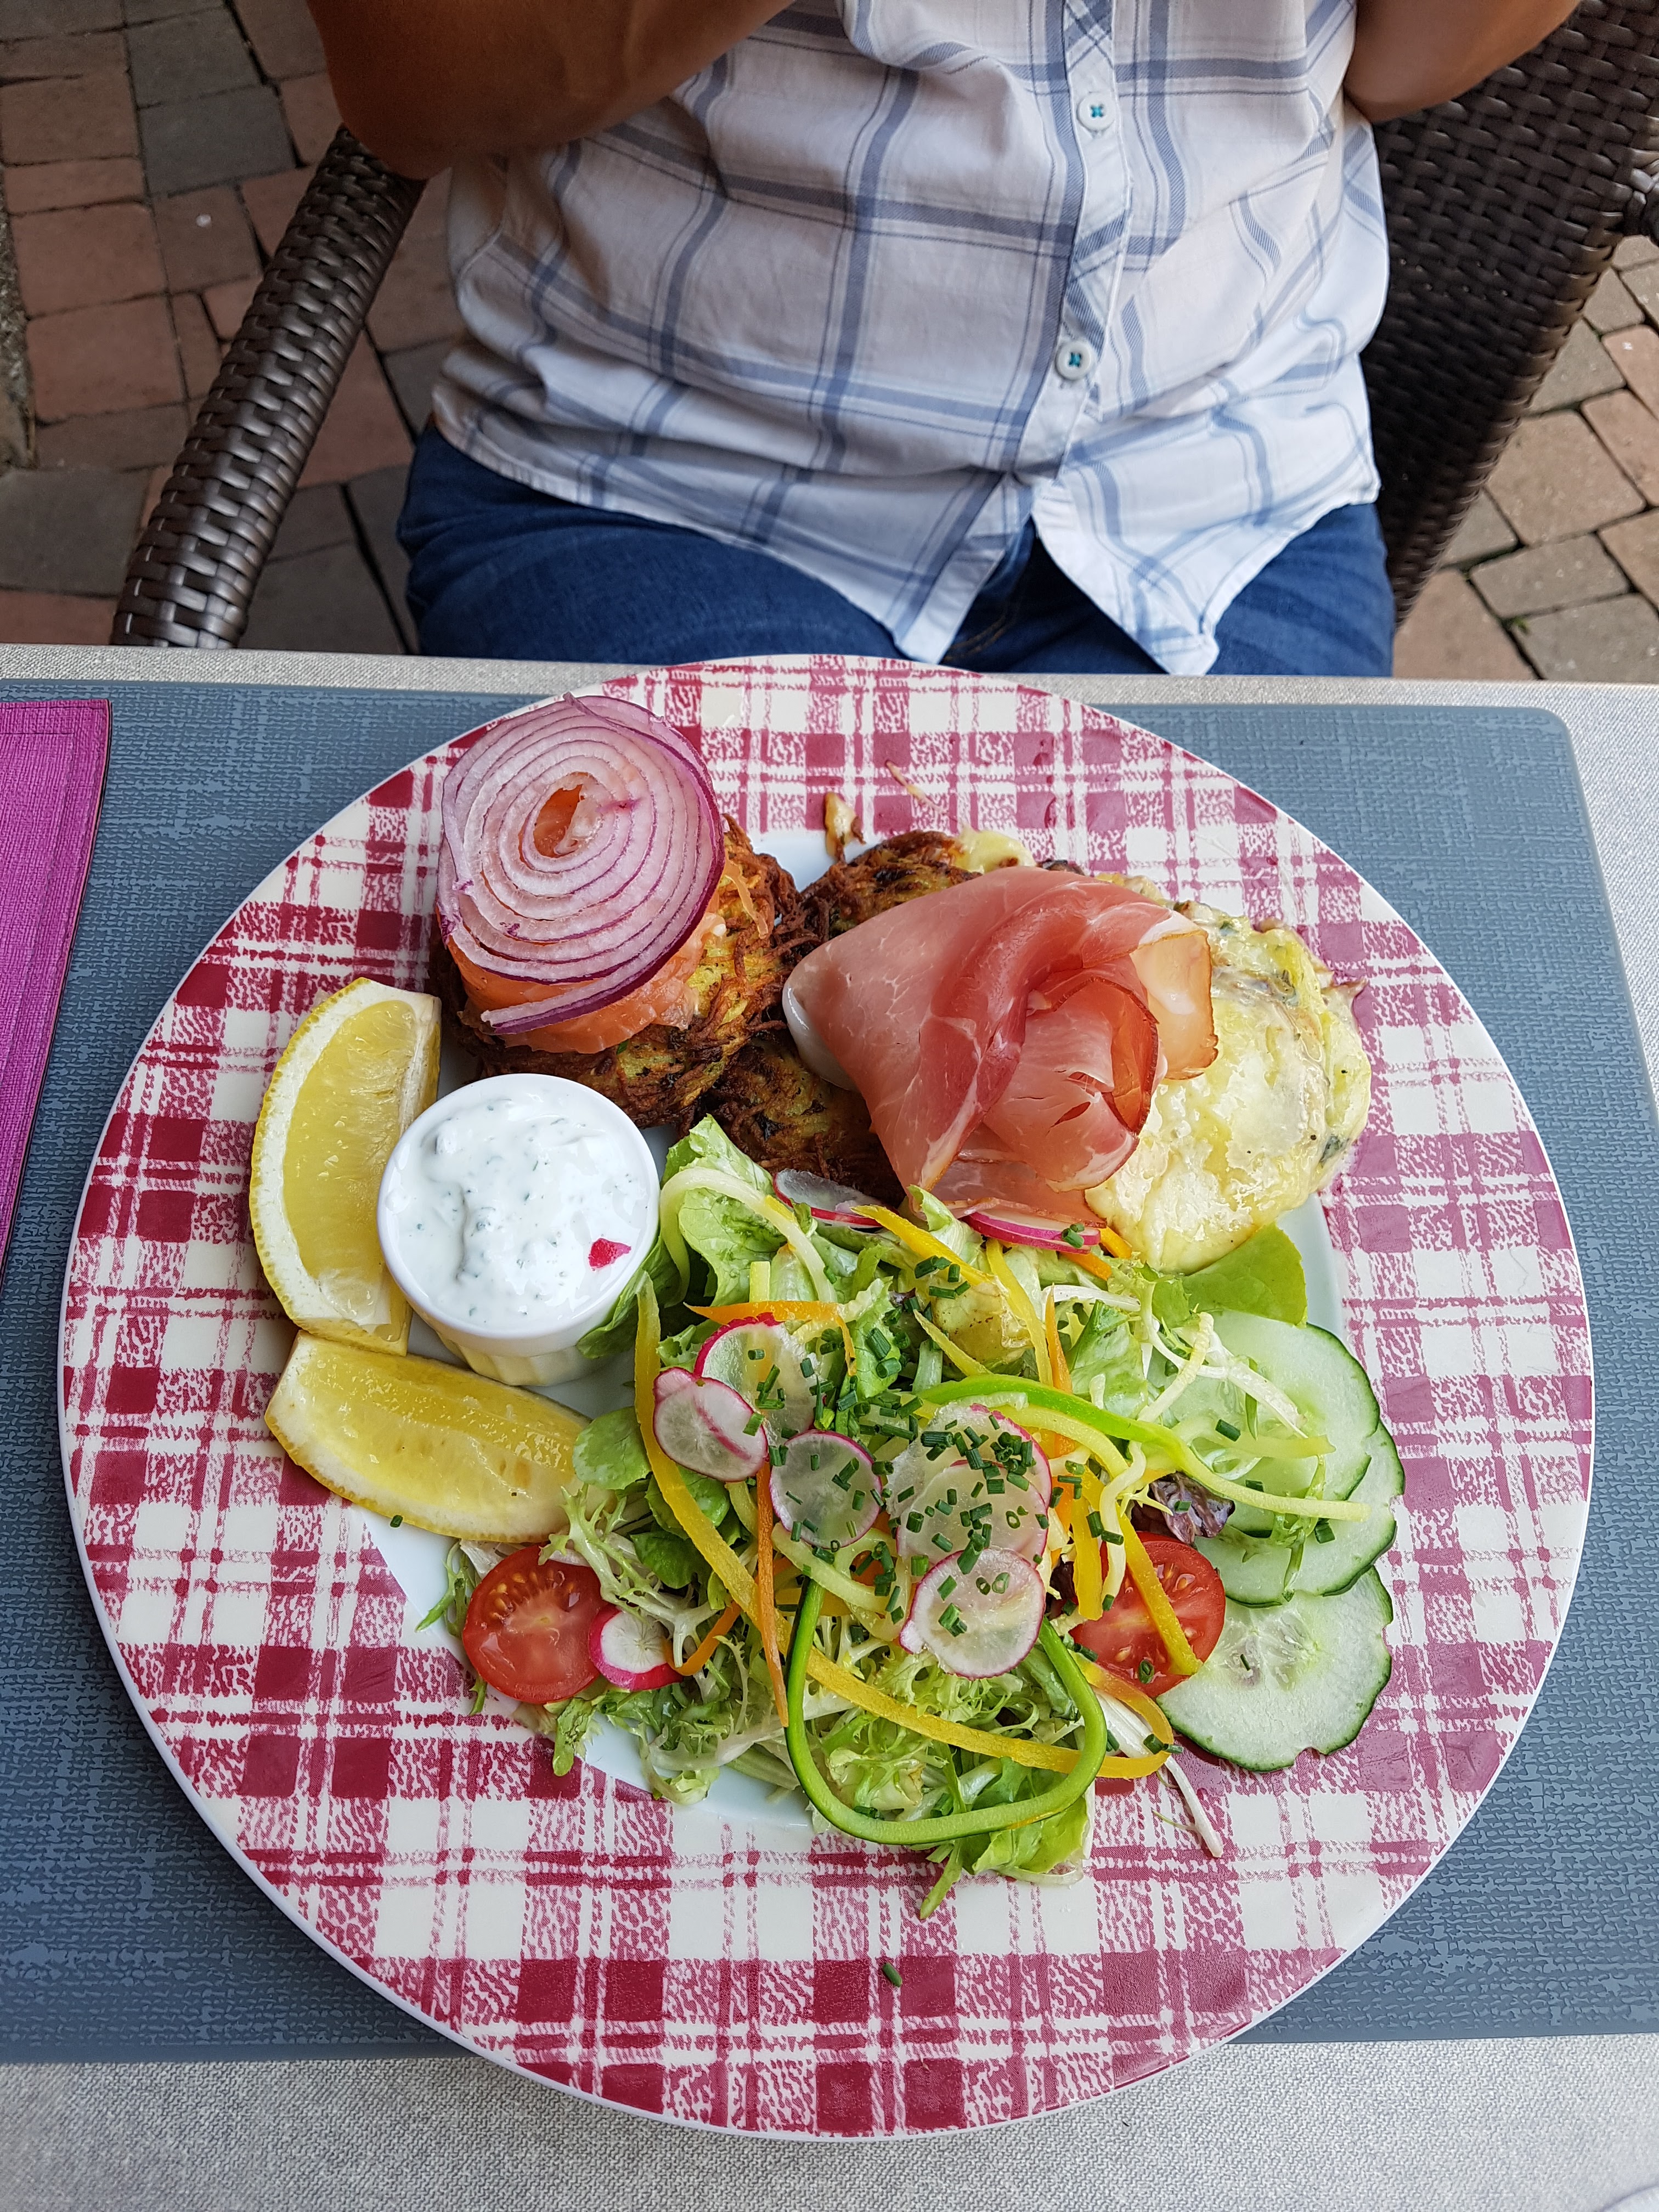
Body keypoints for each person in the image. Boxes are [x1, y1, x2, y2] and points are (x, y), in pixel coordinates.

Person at [313, 0, 1579, 676]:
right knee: (724, 1075)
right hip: (670, 483)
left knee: (1255, 1067)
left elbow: (1413, 59)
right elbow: (417, 84)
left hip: (1213, 487)